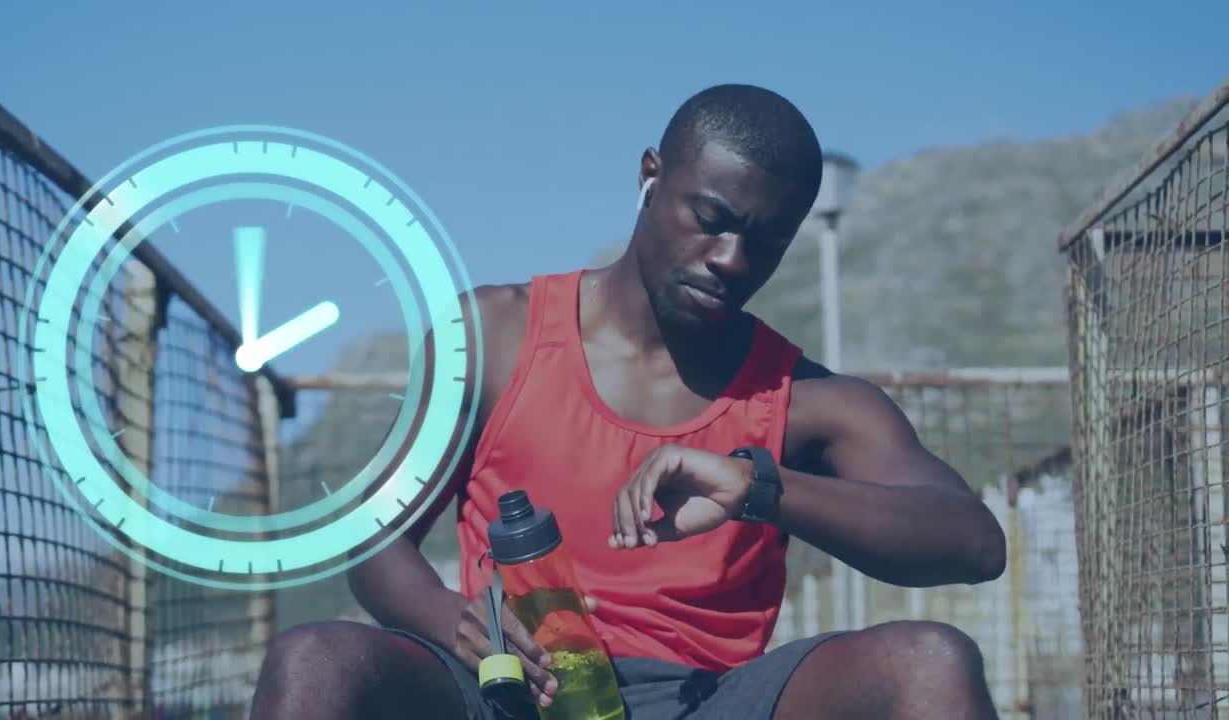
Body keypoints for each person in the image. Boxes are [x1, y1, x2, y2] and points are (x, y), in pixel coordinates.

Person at [250, 83, 1007, 720]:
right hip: (511, 689)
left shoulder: (810, 400)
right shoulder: (492, 336)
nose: (730, 260)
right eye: (710, 219)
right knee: (314, 660)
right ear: (650, 175)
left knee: (929, 664)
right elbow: (376, 542)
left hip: (707, 698)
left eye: (766, 242)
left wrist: (760, 487)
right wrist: (457, 624)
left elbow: (974, 544)